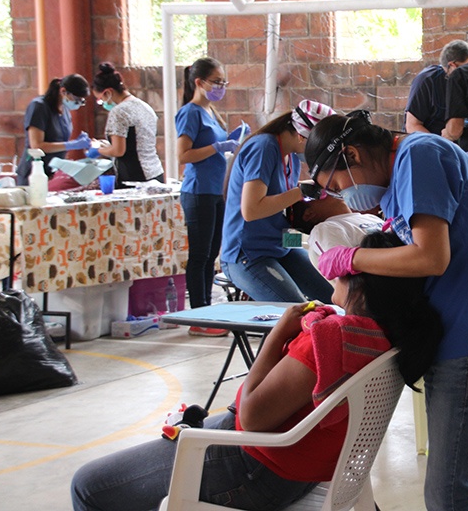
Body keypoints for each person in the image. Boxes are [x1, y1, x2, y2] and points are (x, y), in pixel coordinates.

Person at [70, 230, 444, 511]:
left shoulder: (334, 338)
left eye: (343, 271)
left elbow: (250, 418)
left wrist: (277, 334)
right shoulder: (386, 338)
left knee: (88, 486)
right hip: (304, 465)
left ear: (360, 284)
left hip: (259, 467)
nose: (335, 278)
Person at [305, 110, 468, 510]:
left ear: (354, 155)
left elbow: (431, 257)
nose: (344, 196)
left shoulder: (420, 155)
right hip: (460, 341)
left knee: (450, 496)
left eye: (338, 185)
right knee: (454, 492)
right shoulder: (401, 177)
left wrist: (353, 258)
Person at [220, 110, 334, 304]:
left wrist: (308, 244)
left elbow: (280, 210)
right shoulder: (263, 147)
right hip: (248, 253)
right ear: (301, 136)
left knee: (335, 297)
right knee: (300, 310)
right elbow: (251, 210)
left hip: (281, 244)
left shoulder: (291, 157)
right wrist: (301, 192)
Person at [176, 57, 238, 318]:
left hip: (215, 190)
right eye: (216, 82)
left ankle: (207, 308)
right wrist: (215, 147)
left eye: (224, 82)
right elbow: (183, 155)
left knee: (212, 252)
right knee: (200, 254)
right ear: (199, 82)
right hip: (198, 191)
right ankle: (198, 313)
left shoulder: (211, 111)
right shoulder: (190, 112)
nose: (220, 87)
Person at [87, 62, 164, 185]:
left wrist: (97, 150)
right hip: (155, 173)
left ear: (108, 92)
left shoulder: (119, 112)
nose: (102, 103)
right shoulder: (144, 106)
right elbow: (137, 140)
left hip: (135, 177)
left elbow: (118, 151)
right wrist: (105, 144)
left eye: (101, 100)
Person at [16, 74, 91, 186]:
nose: (78, 104)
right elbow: (36, 145)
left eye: (82, 101)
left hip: (53, 172)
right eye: (76, 99)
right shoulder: (39, 107)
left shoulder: (64, 110)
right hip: (34, 173)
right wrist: (72, 145)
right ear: (63, 91)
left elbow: (59, 140)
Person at [286, 195, 384, 270]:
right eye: (317, 194)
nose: (328, 191)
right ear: (309, 214)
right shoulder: (325, 229)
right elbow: (346, 270)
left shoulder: (369, 217)